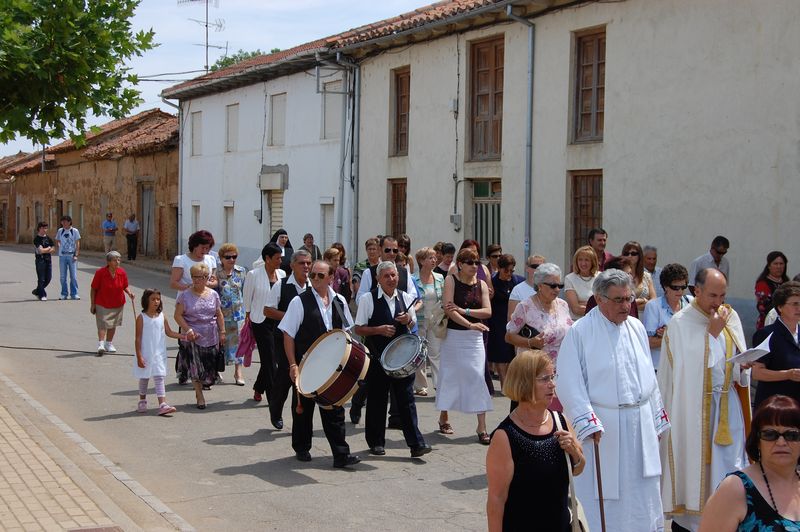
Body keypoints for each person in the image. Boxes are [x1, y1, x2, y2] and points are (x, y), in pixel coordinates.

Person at [557, 269, 670, 532]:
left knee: (643, 490)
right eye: (618, 299)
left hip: (640, 425)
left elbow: (649, 379)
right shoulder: (581, 332)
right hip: (603, 428)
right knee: (605, 494)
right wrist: (587, 422)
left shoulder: (636, 327)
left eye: (628, 298)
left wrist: (656, 418)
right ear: (599, 298)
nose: (626, 305)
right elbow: (568, 381)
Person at [659, 268, 751, 532]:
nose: (718, 302)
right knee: (701, 470)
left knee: (729, 465)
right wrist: (711, 335)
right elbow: (687, 372)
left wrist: (743, 367)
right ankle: (696, 523)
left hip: (727, 406)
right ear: (696, 290)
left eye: (722, 296)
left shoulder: (729, 316)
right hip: (696, 410)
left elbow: (734, 361)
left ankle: (729, 516)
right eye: (712, 295)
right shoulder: (680, 323)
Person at [486, 350, 585, 532]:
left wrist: (574, 451)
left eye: (552, 377)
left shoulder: (561, 421)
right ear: (525, 382)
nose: (552, 384)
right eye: (545, 379)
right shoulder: (505, 436)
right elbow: (496, 499)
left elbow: (578, 469)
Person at [278, 259, 360, 468]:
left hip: (333, 366)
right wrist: (293, 365)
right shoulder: (299, 302)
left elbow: (347, 332)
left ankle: (341, 455)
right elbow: (288, 335)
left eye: (320, 275)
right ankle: (302, 447)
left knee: (335, 409)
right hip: (306, 364)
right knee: (303, 409)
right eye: (312, 274)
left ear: (331, 277)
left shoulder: (340, 301)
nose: (314, 278)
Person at [354, 261, 431, 458]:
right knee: (377, 401)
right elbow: (359, 329)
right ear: (378, 279)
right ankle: (376, 443)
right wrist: (378, 330)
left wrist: (408, 320)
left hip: (402, 360)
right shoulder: (368, 299)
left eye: (393, 275)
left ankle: (416, 444)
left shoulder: (405, 298)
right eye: (386, 276)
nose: (391, 279)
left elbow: (412, 325)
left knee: (407, 401)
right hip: (377, 358)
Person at [698, 395, 800, 531]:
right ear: (757, 441)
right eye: (770, 434)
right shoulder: (734, 489)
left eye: (791, 435)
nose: (781, 442)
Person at [436, 248, 493, 442]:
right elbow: (449, 309)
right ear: (460, 264)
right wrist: (469, 323)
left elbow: (487, 311)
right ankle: (444, 416)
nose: (474, 266)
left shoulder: (481, 284)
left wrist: (465, 311)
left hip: (474, 338)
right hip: (454, 336)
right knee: (449, 376)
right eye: (470, 262)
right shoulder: (451, 280)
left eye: (477, 262)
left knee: (477, 376)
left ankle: (482, 426)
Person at [505, 263, 573, 411]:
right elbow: (509, 336)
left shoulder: (563, 305)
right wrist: (531, 342)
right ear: (540, 285)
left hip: (559, 370)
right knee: (533, 413)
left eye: (560, 285)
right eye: (553, 285)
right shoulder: (525, 306)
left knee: (556, 414)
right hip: (534, 371)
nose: (557, 289)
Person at [264, 249, 311, 429]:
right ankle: (275, 410)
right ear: (292, 266)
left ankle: (298, 419)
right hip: (283, 340)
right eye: (301, 263)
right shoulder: (281, 285)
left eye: (308, 263)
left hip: (307, 342)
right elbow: (267, 310)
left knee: (300, 381)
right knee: (284, 379)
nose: (306, 266)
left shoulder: (313, 286)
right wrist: (291, 316)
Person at [174, 263, 225, 409]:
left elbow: (219, 314)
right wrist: (188, 330)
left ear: (207, 278)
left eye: (200, 277)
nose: (196, 280)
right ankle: (199, 394)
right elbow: (177, 315)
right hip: (193, 336)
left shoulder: (213, 294)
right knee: (195, 366)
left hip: (211, 335)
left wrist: (222, 332)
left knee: (209, 370)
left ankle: (202, 385)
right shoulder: (185, 296)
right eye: (194, 277)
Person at [170, 230, 218, 384]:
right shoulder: (181, 260)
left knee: (205, 343)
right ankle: (183, 370)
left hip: (205, 302)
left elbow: (214, 280)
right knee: (186, 341)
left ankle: (204, 374)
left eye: (207, 248)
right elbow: (174, 282)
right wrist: (190, 287)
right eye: (202, 248)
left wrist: (207, 284)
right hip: (187, 304)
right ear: (194, 245)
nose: (205, 251)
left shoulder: (210, 259)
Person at [243, 243, 286, 403]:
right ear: (267, 259)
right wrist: (247, 315)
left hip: (278, 321)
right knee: (269, 358)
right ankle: (273, 395)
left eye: (281, 258)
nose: (280, 261)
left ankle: (259, 386)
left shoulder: (282, 274)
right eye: (277, 258)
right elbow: (247, 297)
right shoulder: (254, 274)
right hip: (260, 321)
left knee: (273, 357)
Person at [134, 289, 183, 415]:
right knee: (144, 377)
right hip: (146, 353)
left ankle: (162, 404)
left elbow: (169, 332)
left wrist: (184, 336)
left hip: (159, 354)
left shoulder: (162, 316)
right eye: (153, 299)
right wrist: (139, 356)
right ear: (146, 301)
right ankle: (142, 401)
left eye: (158, 299)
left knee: (159, 376)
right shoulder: (141, 318)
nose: (156, 302)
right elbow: (138, 338)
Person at [752, 282, 800, 408]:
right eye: (795, 304)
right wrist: (787, 374)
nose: (799, 308)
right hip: (774, 406)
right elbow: (757, 373)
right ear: (780, 307)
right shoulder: (767, 334)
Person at [642, 263, 692, 370]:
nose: (680, 291)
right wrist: (678, 335)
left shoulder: (691, 303)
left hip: (684, 368)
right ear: (665, 286)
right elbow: (649, 342)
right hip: (661, 369)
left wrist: (668, 334)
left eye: (683, 287)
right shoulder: (653, 306)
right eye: (675, 287)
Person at [411, 246, 445, 397]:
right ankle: (421, 386)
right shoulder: (413, 279)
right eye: (430, 257)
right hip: (419, 320)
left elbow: (444, 298)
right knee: (420, 353)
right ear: (421, 261)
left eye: (434, 257)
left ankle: (439, 385)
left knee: (436, 353)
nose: (434, 260)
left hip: (435, 319)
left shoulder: (439, 277)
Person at [488, 254, 524, 388]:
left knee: (511, 354)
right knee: (500, 355)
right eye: (506, 270)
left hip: (515, 322)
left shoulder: (518, 281)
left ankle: (510, 383)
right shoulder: (493, 282)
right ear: (499, 268)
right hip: (497, 322)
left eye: (511, 270)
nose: (509, 273)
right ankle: (504, 384)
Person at [90, 251, 134, 355]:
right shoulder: (100, 273)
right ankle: (101, 344)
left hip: (117, 303)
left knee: (113, 324)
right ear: (108, 262)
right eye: (115, 260)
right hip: (102, 302)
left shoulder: (122, 272)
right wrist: (92, 304)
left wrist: (129, 293)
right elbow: (93, 289)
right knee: (102, 324)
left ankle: (108, 343)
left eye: (119, 260)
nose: (117, 262)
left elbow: (125, 286)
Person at [215, 243, 247, 385]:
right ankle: (216, 370)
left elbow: (245, 291)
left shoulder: (241, 271)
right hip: (221, 314)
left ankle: (238, 372)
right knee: (219, 343)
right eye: (228, 257)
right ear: (221, 258)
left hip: (238, 314)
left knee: (238, 343)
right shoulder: (216, 273)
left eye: (234, 257)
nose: (231, 260)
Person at [355, 235, 417, 301]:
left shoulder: (405, 272)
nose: (392, 253)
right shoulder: (368, 273)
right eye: (387, 250)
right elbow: (360, 299)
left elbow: (413, 296)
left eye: (395, 250)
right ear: (380, 249)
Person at [755, 251, 789, 330]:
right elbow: (763, 307)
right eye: (775, 264)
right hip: (768, 324)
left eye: (781, 264)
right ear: (769, 266)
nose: (779, 266)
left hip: (787, 324)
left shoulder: (787, 282)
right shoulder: (762, 283)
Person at [564, 245, 599, 320]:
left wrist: (582, 304)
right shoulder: (569, 278)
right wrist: (595, 305)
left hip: (597, 320)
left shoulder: (600, 277)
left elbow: (606, 304)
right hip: (577, 321)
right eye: (580, 260)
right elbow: (576, 309)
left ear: (593, 262)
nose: (583, 263)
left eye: (587, 260)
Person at [621, 240, 656, 313]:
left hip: (645, 316)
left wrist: (634, 304)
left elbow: (654, 301)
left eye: (633, 253)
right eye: (626, 253)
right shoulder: (619, 275)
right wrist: (643, 301)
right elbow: (621, 302)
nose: (629, 256)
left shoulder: (646, 276)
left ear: (639, 256)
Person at [55, 215, 81, 300]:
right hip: (62, 256)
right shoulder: (60, 231)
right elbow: (57, 240)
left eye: (65, 221)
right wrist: (59, 246)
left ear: (69, 222)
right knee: (63, 277)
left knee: (73, 276)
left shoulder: (74, 231)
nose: (64, 223)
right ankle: (64, 293)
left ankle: (74, 293)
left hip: (71, 256)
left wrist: (76, 255)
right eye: (62, 222)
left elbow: (77, 243)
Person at [32, 221, 55, 301]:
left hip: (48, 260)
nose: (45, 230)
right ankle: (42, 295)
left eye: (46, 228)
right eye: (43, 228)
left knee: (48, 278)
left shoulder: (48, 238)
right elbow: (40, 251)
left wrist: (47, 249)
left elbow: (53, 249)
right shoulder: (37, 239)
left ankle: (37, 291)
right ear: (39, 229)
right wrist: (48, 248)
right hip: (40, 260)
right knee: (41, 278)